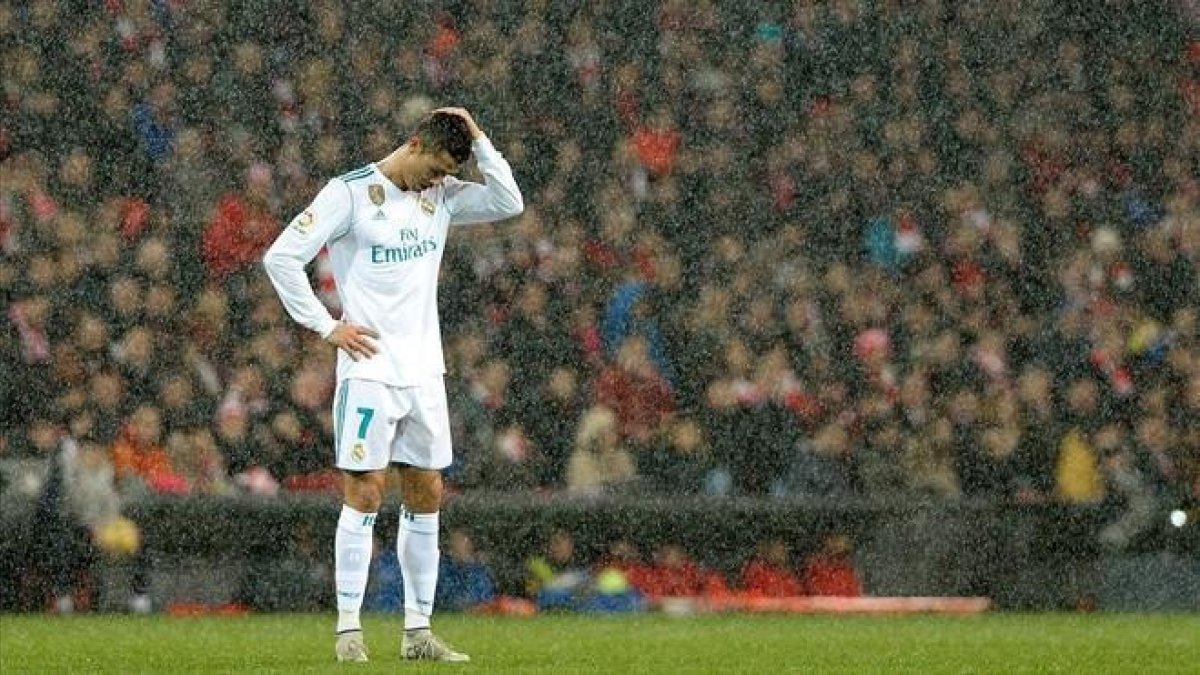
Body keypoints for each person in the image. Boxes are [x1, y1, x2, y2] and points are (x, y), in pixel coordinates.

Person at [263, 107, 523, 663]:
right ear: (413, 144)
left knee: (428, 493)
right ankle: (349, 630)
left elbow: (508, 200)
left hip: (425, 370)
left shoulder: (444, 195)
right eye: (432, 169)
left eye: (444, 175)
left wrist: (477, 135)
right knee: (364, 492)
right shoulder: (349, 194)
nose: (436, 182)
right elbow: (281, 256)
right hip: (370, 370)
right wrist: (327, 326)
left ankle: (417, 631)